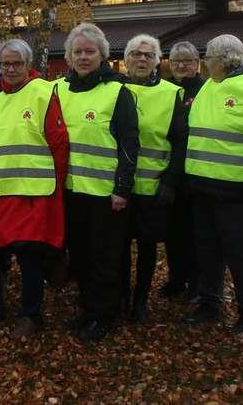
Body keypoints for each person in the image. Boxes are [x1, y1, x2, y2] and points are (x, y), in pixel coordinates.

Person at [0, 38, 68, 339]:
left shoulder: (44, 92)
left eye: (16, 63)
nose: (10, 69)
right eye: (5, 64)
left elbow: (59, 143)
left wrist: (55, 188)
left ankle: (31, 316)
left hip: (31, 192)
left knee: (28, 256)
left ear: (28, 64)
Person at [182, 34, 243, 337]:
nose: (205, 63)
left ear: (225, 59)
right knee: (206, 252)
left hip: (237, 191)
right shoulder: (209, 85)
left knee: (241, 254)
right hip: (202, 188)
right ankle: (210, 304)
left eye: (208, 57)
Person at [59, 23, 139, 343]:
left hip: (106, 194)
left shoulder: (118, 91)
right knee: (80, 255)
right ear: (68, 56)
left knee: (105, 257)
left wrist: (122, 188)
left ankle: (104, 315)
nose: (83, 57)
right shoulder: (59, 90)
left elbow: (129, 143)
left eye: (89, 51)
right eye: (77, 51)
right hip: (72, 190)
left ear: (102, 55)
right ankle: (87, 309)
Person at [120, 34, 188, 323]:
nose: (142, 59)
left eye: (148, 55)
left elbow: (180, 142)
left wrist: (170, 182)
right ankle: (120, 299)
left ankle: (140, 303)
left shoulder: (172, 93)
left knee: (147, 249)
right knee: (118, 248)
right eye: (136, 54)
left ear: (157, 60)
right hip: (116, 187)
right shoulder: (112, 90)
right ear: (126, 60)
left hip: (152, 187)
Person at [163, 41, 205, 302]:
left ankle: (197, 284)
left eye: (186, 61)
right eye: (176, 60)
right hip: (169, 172)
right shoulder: (167, 90)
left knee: (194, 234)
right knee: (172, 233)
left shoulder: (203, 90)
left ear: (197, 63)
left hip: (193, 174)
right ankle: (176, 279)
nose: (180, 65)